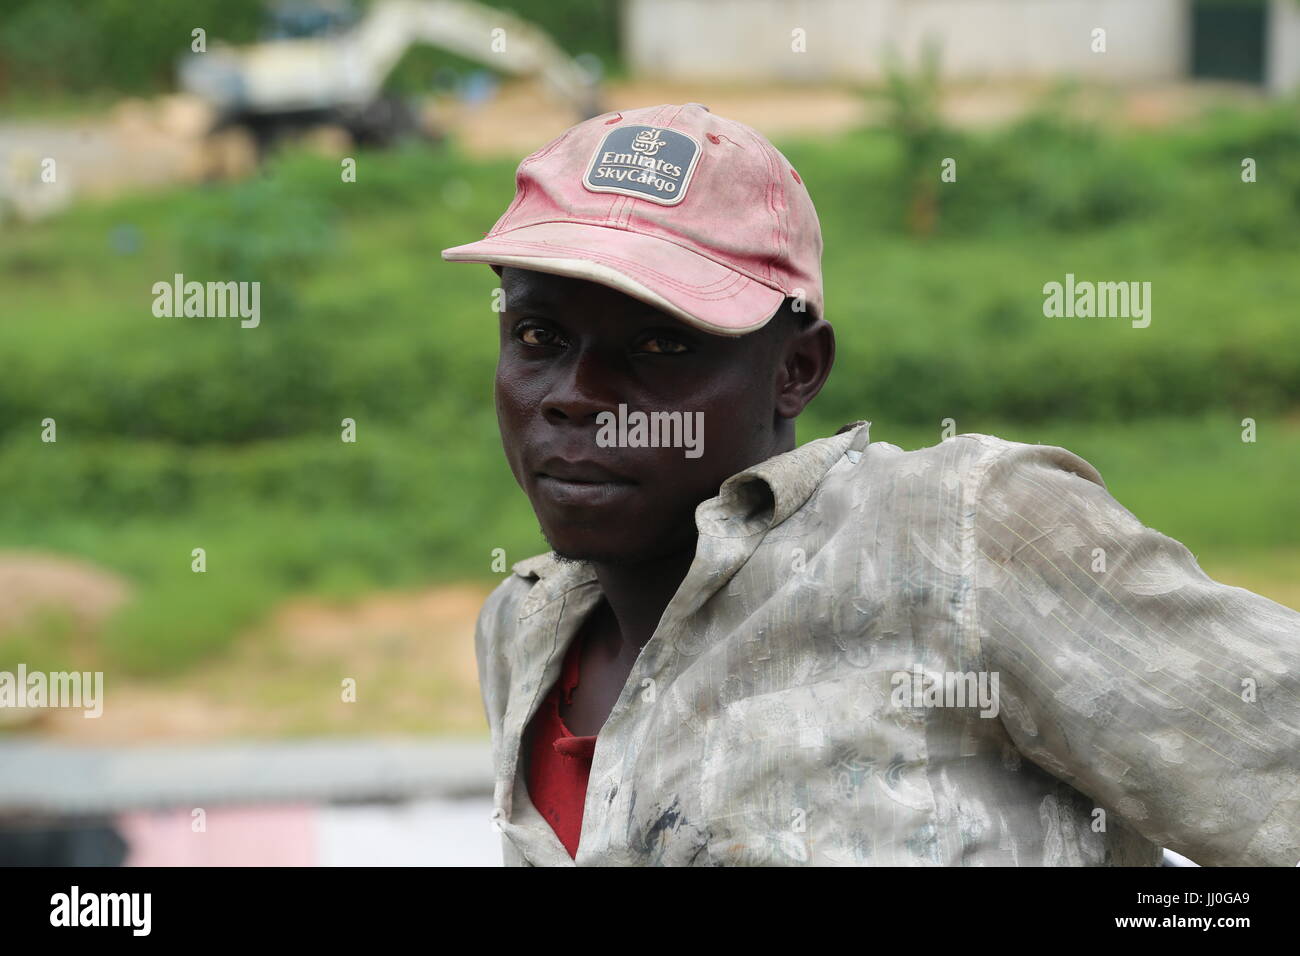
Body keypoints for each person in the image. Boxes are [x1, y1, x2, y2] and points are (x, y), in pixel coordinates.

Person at [441, 103, 1299, 866]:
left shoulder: (964, 540)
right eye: (538, 337)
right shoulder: (522, 631)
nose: (577, 397)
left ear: (796, 370)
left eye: (660, 347)